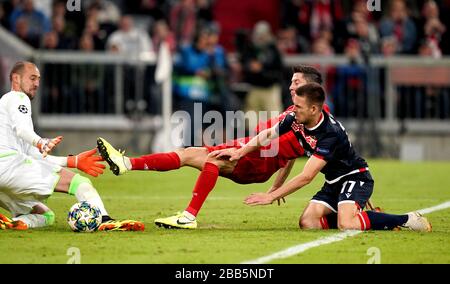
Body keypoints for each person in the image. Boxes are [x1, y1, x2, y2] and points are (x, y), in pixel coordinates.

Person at [97, 66, 332, 229]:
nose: (291, 87)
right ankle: (126, 163)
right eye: (291, 82)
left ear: (311, 88)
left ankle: (189, 216)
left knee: (214, 161)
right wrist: (278, 183)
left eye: (296, 83)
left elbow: (307, 151)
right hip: (251, 151)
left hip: (258, 160)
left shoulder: (316, 117)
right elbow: (297, 146)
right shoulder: (297, 110)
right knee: (187, 153)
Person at [222, 83, 431, 232]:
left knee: (346, 225)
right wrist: (240, 152)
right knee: (308, 222)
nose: (294, 110)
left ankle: (407, 219)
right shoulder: (295, 119)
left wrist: (271, 196)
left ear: (314, 109)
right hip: (333, 181)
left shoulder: (330, 134)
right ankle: (357, 214)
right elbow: (268, 135)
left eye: (298, 107)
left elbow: (306, 176)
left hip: (355, 177)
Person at [0, 61, 144, 231]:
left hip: (6, 172)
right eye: (32, 78)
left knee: (46, 215)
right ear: (15, 78)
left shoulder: (4, 104)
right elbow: (23, 130)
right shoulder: (18, 98)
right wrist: (40, 141)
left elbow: (32, 155)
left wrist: (73, 161)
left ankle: (16, 223)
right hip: (9, 167)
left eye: (38, 79)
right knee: (79, 182)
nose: (37, 84)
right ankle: (104, 220)